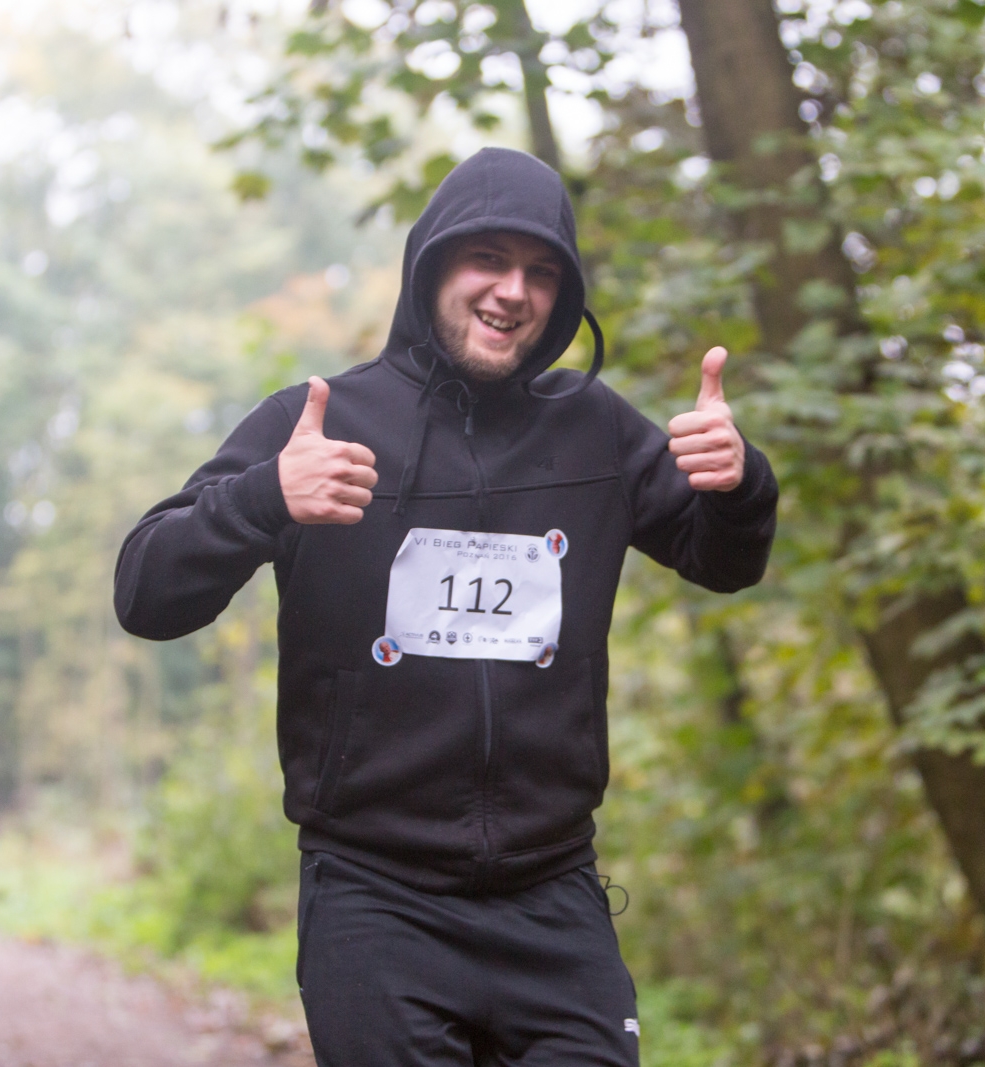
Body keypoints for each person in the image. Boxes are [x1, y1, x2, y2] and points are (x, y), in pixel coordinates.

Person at [116, 147, 778, 1067]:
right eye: (489, 260)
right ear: (431, 265)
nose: (514, 291)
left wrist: (739, 484)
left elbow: (725, 562)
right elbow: (145, 592)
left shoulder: (597, 430)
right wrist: (265, 495)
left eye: (542, 272)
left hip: (554, 894)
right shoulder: (321, 424)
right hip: (374, 896)